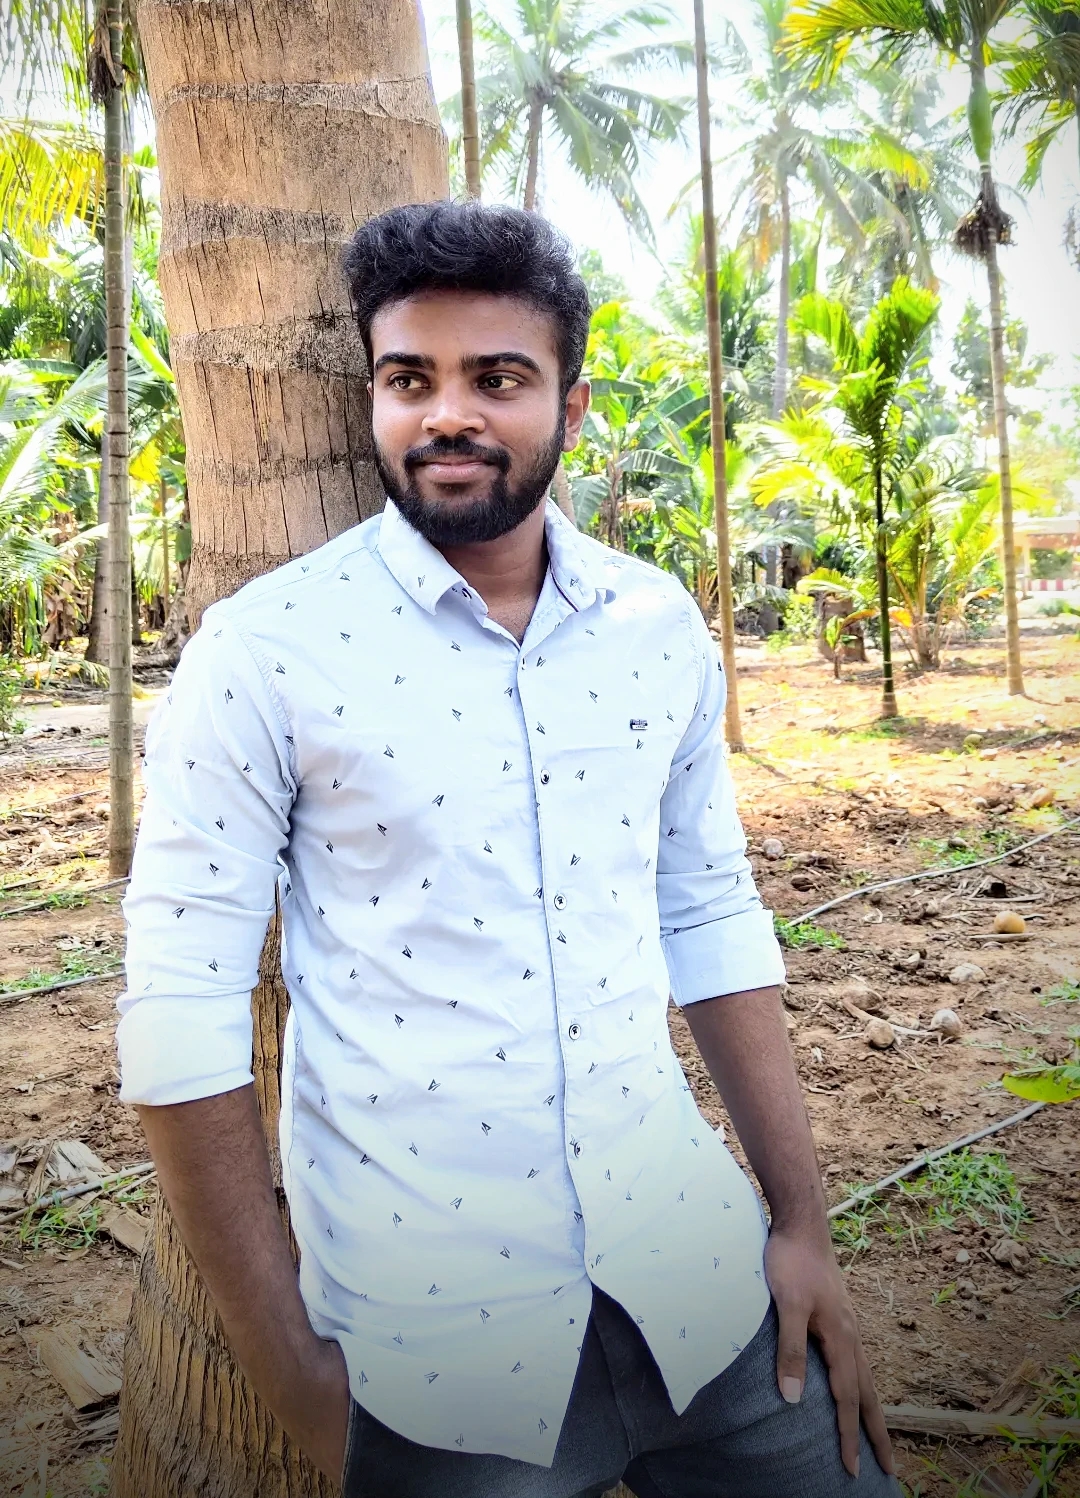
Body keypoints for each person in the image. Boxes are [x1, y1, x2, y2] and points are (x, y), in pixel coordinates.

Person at [117, 201, 899, 1498]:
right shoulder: (265, 652)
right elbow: (178, 1012)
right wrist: (290, 1374)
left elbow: (709, 914)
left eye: (497, 378)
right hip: (435, 1348)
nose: (448, 415)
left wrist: (803, 1224)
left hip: (699, 1282)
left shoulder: (655, 627)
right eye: (408, 379)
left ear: (571, 407)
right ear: (373, 398)